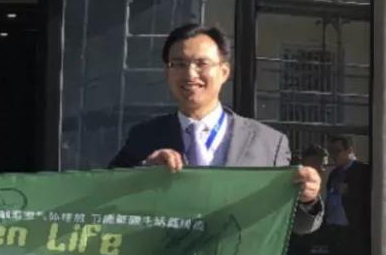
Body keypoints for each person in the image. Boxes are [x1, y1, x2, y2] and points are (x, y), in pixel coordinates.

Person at [109, 24, 323, 236]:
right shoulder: (144, 137)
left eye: (201, 63)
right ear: (167, 73)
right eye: (179, 64)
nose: (190, 74)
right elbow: (107, 198)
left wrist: (307, 199)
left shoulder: (268, 143)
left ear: (224, 72)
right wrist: (144, 173)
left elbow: (296, 224)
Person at [275, 144, 327, 255]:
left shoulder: (318, 177)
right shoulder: (295, 176)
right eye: (320, 162)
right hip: (290, 231)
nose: (322, 167)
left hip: (308, 231)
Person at [323, 135, 372, 255]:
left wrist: (350, 192)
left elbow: (369, 200)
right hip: (337, 230)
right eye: (331, 151)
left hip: (356, 232)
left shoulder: (363, 171)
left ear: (349, 150)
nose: (333, 155)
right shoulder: (335, 173)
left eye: (337, 151)